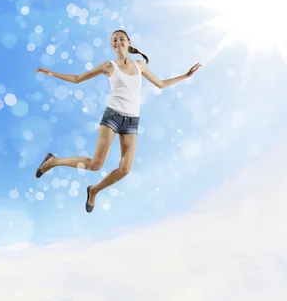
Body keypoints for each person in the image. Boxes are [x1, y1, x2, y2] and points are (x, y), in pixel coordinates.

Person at [34, 29, 201, 213]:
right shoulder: (108, 66)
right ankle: (54, 161)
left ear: (129, 42)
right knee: (95, 165)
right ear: (111, 45)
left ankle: (94, 190)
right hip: (112, 117)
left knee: (124, 170)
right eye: (114, 40)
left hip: (132, 122)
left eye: (121, 39)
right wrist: (51, 73)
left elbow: (160, 84)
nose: (118, 42)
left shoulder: (139, 66)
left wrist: (186, 76)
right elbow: (77, 79)